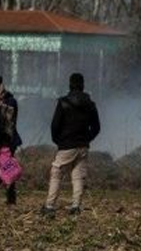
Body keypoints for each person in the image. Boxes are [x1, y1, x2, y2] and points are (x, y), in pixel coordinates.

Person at [41, 72, 101, 216]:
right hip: (83, 146)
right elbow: (97, 127)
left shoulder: (63, 102)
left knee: (56, 173)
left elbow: (54, 126)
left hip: (67, 144)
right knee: (78, 176)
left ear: (70, 84)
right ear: (82, 85)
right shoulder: (90, 104)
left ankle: (49, 206)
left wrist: (58, 141)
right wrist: (87, 139)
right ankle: (76, 206)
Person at [0, 75, 22, 205]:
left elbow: (7, 120)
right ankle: (3, 197)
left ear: (1, 86)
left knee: (7, 169)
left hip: (8, 140)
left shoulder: (10, 101)